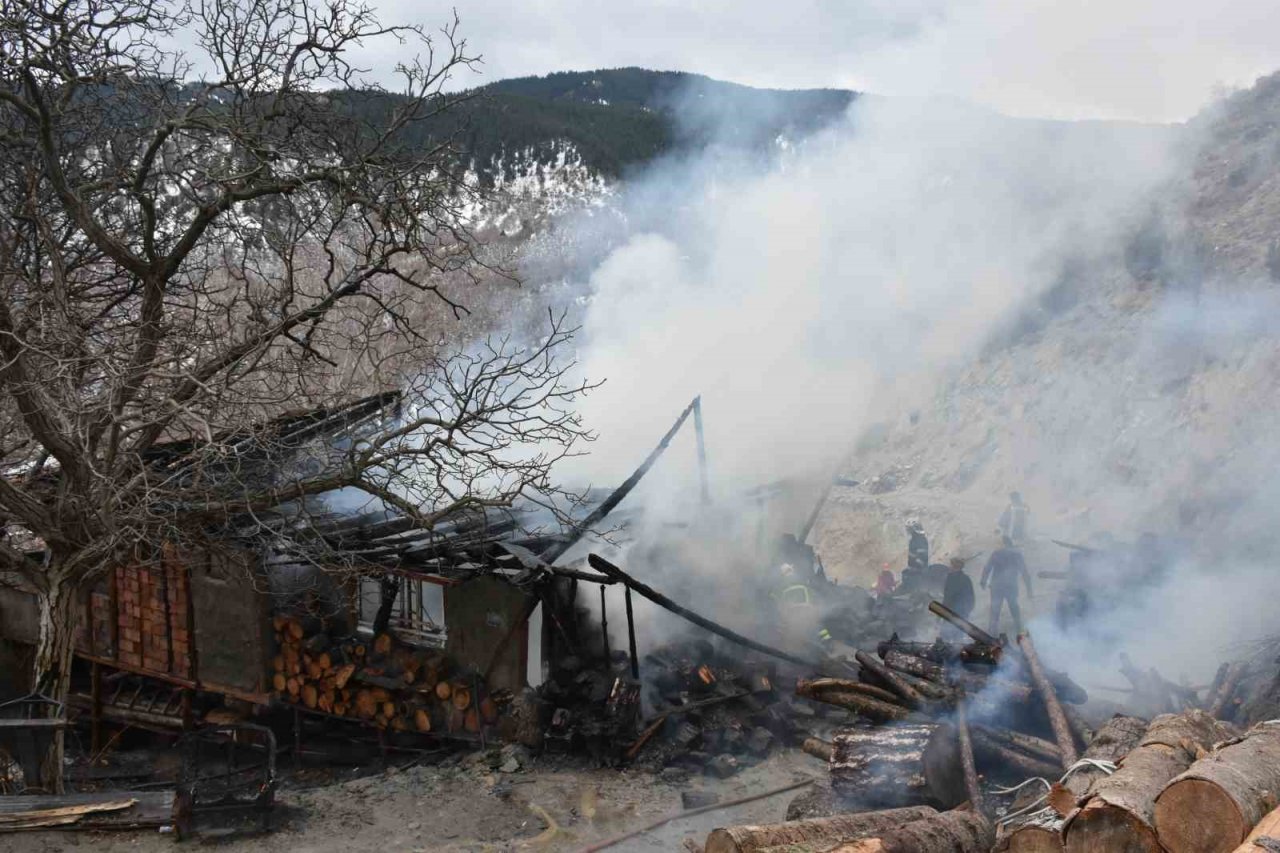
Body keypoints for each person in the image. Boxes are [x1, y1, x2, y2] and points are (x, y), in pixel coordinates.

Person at [981, 536, 1032, 635]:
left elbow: (987, 568)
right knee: (1014, 609)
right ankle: (1019, 631)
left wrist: (983, 581)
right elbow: (1024, 572)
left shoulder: (996, 553)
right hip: (1010, 586)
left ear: (1004, 543)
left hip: (997, 586)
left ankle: (992, 633)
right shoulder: (1017, 554)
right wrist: (1029, 589)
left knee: (995, 610)